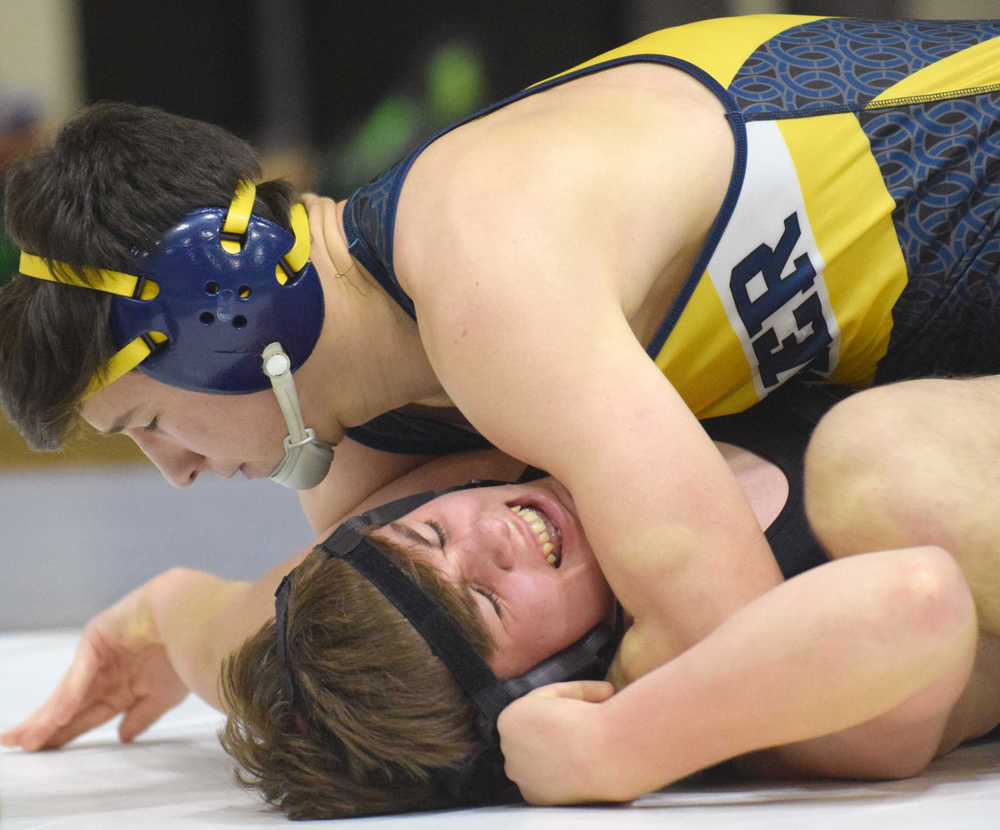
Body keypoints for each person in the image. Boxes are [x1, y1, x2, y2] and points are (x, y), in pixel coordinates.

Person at [3, 14, 1000, 676]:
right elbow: (336, 643)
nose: (171, 472)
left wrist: (584, 735)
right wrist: (178, 620)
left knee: (882, 490)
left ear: (221, 313)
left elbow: (724, 630)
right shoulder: (371, 436)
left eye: (146, 421)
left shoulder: (484, 255)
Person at [5, 382, 998, 818]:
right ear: (545, 687)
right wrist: (624, 744)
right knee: (884, 469)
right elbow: (919, 601)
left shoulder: (461, 497)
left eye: (433, 526)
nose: (495, 533)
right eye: (485, 599)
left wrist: (161, 619)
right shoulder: (771, 698)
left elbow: (220, 622)